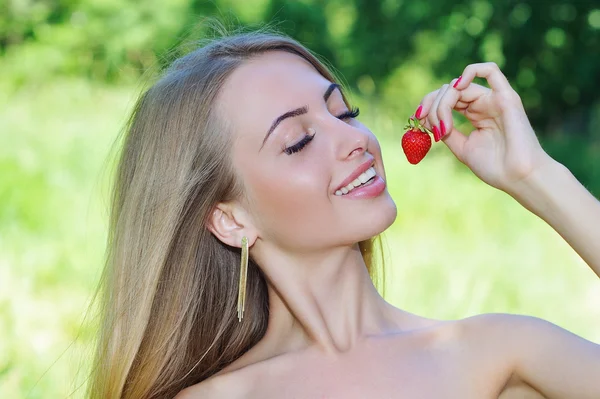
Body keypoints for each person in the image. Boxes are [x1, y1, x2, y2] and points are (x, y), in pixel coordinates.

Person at [87, 31, 600, 398]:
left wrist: (534, 175)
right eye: (299, 141)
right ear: (230, 219)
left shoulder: (495, 354)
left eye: (344, 112)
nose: (356, 139)